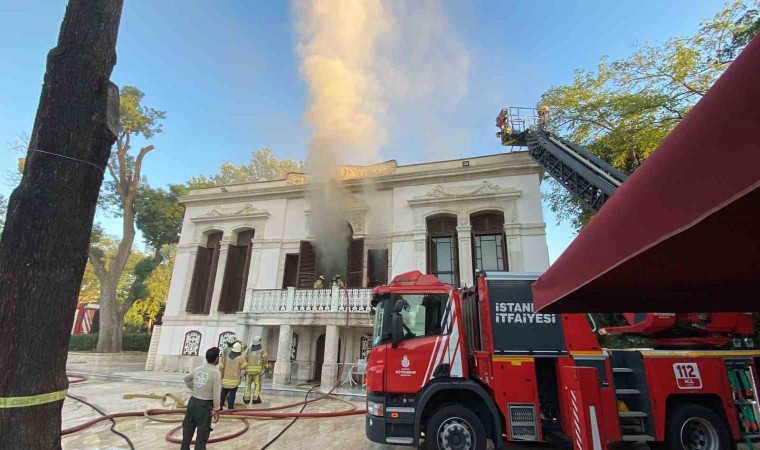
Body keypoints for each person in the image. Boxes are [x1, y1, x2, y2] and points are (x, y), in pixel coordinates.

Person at [182, 347, 221, 450]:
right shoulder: (216, 373)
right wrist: (216, 409)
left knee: (187, 433)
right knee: (202, 436)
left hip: (192, 402)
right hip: (204, 406)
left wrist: (194, 388)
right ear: (216, 358)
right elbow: (216, 393)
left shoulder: (198, 369)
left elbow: (186, 379)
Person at [220, 342, 246, 410]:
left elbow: (221, 367)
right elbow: (244, 367)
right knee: (232, 395)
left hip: (225, 380)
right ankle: (230, 408)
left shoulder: (226, 357)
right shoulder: (240, 358)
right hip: (234, 381)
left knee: (223, 394)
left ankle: (220, 407)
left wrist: (221, 377)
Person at [243, 335, 268, 404]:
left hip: (248, 371)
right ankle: (255, 398)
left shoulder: (249, 350)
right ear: (259, 342)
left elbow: (245, 358)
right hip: (257, 371)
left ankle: (246, 398)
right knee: (257, 384)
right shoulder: (262, 350)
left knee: (247, 384)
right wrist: (265, 365)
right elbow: (265, 359)